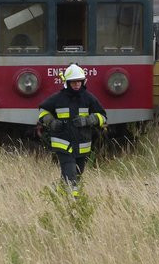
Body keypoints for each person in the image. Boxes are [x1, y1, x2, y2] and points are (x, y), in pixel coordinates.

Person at [37, 63, 107, 196]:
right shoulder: (57, 98)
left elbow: (102, 117)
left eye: (79, 81)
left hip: (82, 146)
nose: (77, 85)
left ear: (83, 81)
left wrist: (88, 120)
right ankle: (74, 204)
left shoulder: (89, 98)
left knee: (77, 176)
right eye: (74, 82)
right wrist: (51, 122)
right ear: (67, 82)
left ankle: (56, 193)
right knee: (71, 177)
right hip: (63, 145)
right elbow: (43, 111)